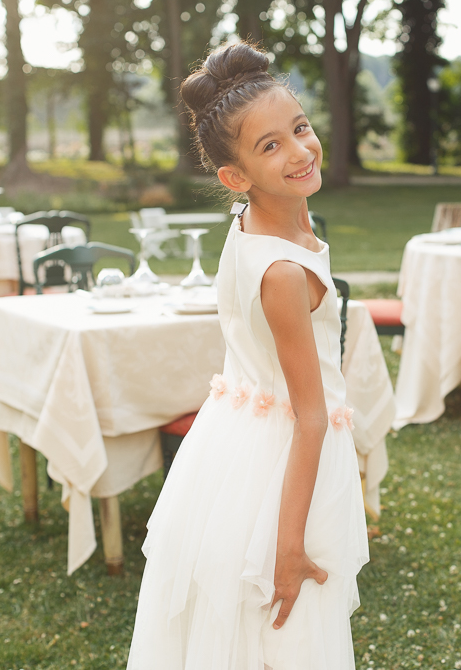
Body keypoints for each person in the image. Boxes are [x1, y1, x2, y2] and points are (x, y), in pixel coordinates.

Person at [126, 42, 369, 670]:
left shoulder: (250, 223)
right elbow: (310, 417)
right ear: (235, 177)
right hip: (285, 465)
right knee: (286, 631)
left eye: (300, 128)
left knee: (245, 635)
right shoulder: (283, 272)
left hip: (235, 447)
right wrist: (288, 547)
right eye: (270, 146)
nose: (299, 151)